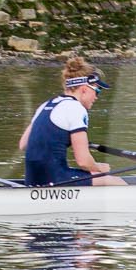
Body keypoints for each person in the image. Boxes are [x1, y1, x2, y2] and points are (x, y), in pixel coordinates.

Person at [19, 55, 125, 187]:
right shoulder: (76, 108)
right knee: (114, 182)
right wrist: (99, 168)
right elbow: (83, 161)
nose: (96, 97)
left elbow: (23, 144)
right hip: (56, 179)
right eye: (97, 91)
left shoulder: (46, 105)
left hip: (33, 179)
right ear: (85, 89)